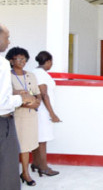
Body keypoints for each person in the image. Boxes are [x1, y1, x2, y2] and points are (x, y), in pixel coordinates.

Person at [0, 24, 35, 190]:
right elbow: (3, 102)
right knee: (8, 167)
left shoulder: (30, 75)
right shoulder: (2, 64)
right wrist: (21, 98)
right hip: (3, 120)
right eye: (6, 37)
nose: (8, 41)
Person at [6, 47, 41, 186]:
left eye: (24, 58)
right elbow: (8, 97)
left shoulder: (30, 75)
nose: (22, 61)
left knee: (26, 147)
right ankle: (10, 175)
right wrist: (27, 102)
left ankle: (25, 173)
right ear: (11, 60)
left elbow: (37, 94)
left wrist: (35, 102)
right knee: (13, 148)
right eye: (18, 59)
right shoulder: (7, 75)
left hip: (30, 117)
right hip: (15, 116)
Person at [32, 51, 61, 176]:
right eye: (51, 62)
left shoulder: (35, 72)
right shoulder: (41, 75)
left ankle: (36, 163)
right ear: (48, 61)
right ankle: (43, 167)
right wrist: (52, 114)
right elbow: (44, 95)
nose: (51, 64)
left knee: (38, 139)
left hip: (39, 111)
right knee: (42, 140)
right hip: (43, 112)